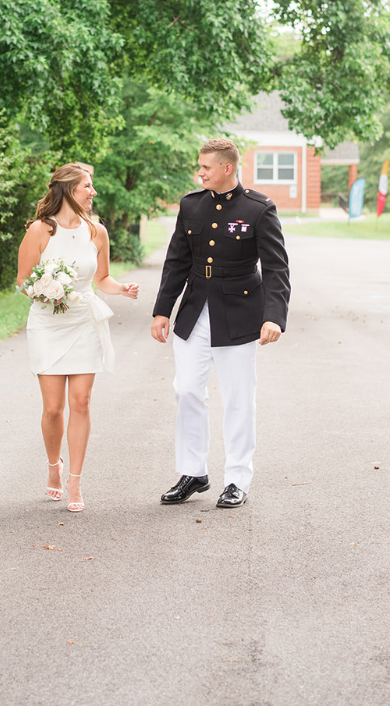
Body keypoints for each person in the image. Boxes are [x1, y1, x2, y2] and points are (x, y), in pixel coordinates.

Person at [151, 138, 289, 509]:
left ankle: (237, 478)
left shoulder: (258, 209)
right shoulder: (191, 205)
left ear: (227, 168)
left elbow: (276, 268)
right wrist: (163, 309)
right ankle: (193, 472)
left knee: (238, 398)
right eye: (200, 167)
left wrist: (273, 316)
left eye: (206, 168)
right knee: (187, 390)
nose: (200, 172)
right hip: (195, 311)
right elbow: (176, 261)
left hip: (240, 314)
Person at [16, 163, 139, 513]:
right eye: (88, 186)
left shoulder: (96, 231)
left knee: (81, 402)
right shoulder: (40, 230)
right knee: (53, 409)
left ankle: (75, 480)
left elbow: (103, 280)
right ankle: (53, 467)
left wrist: (122, 289)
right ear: (69, 189)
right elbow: (23, 280)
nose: (93, 192)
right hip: (47, 323)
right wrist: (49, 292)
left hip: (84, 319)